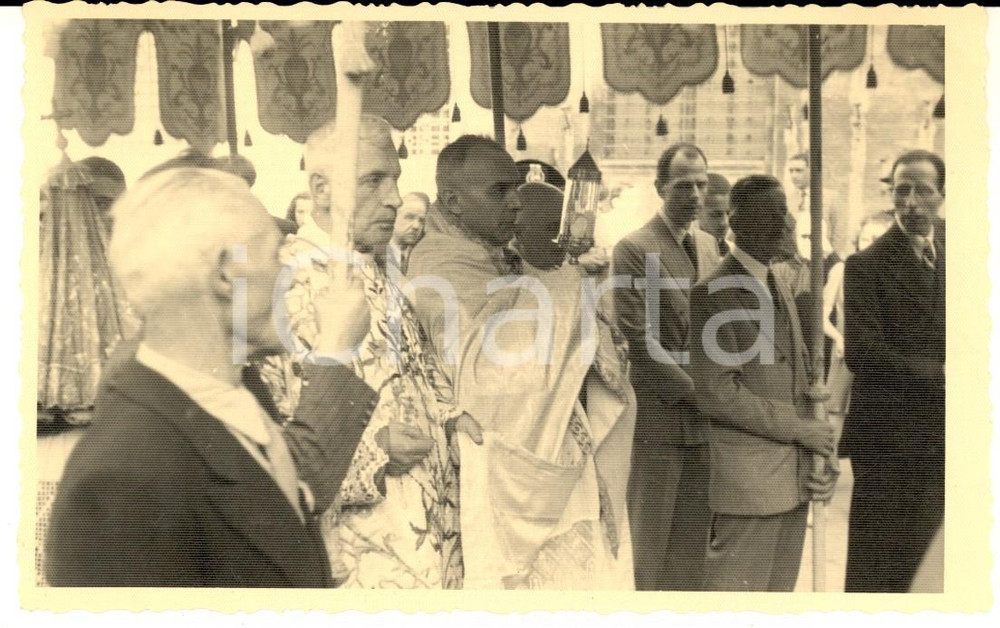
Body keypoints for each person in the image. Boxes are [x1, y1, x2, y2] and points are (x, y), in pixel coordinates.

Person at [46, 167, 377, 587]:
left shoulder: (228, 402)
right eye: (276, 255)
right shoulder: (122, 478)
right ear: (226, 273)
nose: (288, 274)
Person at [257, 115, 479, 590]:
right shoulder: (281, 283)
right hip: (362, 554)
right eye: (374, 180)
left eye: (395, 179)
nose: (395, 198)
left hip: (430, 537)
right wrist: (374, 456)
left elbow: (416, 376)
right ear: (320, 189)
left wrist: (451, 416)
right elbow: (272, 444)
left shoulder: (378, 269)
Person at [407, 136, 635, 589]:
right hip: (506, 470)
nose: (516, 203)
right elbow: (492, 373)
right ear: (452, 201)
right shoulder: (438, 265)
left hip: (550, 451)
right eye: (499, 191)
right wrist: (568, 280)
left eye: (515, 188)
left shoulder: (493, 252)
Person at [689, 175, 838, 592]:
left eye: (786, 210)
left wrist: (818, 454)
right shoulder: (714, 293)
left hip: (792, 483)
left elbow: (803, 381)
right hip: (749, 487)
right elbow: (718, 392)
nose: (789, 221)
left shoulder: (778, 284)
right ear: (738, 223)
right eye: (774, 213)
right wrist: (800, 430)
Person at [611, 143, 721, 591]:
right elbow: (639, 341)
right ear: (660, 187)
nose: (695, 195)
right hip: (659, 422)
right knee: (650, 549)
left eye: (701, 184)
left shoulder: (713, 247)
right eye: (683, 185)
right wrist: (705, 392)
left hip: (707, 426)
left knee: (693, 554)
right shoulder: (635, 249)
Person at [842, 149, 946, 593]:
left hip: (944, 434)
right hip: (887, 437)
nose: (911, 201)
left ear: (942, 194)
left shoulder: (970, 256)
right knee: (878, 563)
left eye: (922, 189)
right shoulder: (865, 266)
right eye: (901, 189)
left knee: (930, 565)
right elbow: (862, 352)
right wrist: (940, 373)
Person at [389, 191, 429, 274]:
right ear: (393, 217)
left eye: (421, 220)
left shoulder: (423, 258)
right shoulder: (375, 256)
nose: (416, 226)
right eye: (409, 217)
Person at [695, 172, 733, 257]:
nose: (725, 222)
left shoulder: (734, 252)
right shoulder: (682, 253)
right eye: (716, 215)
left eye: (728, 213)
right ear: (697, 212)